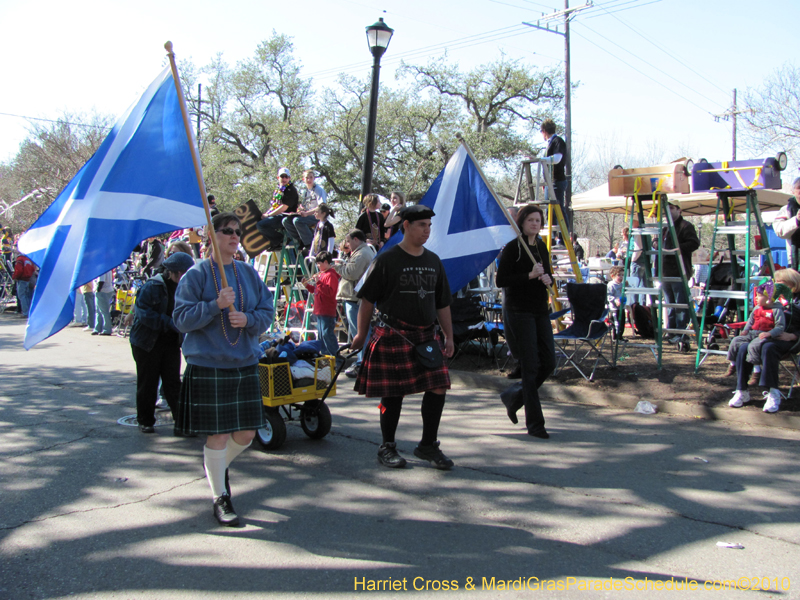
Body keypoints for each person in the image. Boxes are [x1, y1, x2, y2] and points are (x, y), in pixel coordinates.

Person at [173, 212, 275, 526]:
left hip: (244, 362)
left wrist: (249, 320)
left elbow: (267, 311)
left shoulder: (247, 272)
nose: (234, 235)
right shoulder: (197, 274)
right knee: (216, 436)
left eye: (237, 231)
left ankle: (214, 468)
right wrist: (214, 306)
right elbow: (181, 319)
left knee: (245, 435)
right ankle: (221, 496)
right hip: (207, 364)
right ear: (210, 236)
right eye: (226, 231)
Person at [351, 204, 455, 469]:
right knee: (392, 394)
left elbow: (442, 303)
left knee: (439, 386)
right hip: (392, 333)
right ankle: (387, 445)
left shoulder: (433, 261)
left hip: (426, 336)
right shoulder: (386, 260)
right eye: (422, 225)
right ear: (406, 226)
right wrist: (361, 334)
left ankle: (428, 445)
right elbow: (367, 300)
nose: (427, 231)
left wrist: (449, 336)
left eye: (429, 226)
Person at [496, 204, 555, 439]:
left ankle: (514, 397)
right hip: (519, 312)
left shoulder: (541, 247)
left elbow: (547, 274)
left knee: (548, 363)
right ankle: (536, 425)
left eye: (538, 221)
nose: (534, 224)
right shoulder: (513, 248)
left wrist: (548, 278)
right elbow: (501, 280)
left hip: (540, 310)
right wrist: (528, 276)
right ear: (521, 222)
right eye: (530, 220)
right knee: (530, 368)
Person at [130, 252, 195, 434]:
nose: (185, 277)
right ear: (173, 272)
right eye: (183, 273)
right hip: (146, 342)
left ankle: (182, 424)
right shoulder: (152, 286)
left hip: (170, 342)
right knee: (148, 382)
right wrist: (171, 323)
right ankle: (145, 421)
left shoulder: (185, 288)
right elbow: (143, 314)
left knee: (173, 383)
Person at [728, 268, 800, 414]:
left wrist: (794, 336)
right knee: (743, 347)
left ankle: (773, 392)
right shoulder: (773, 297)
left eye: (781, 282)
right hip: (766, 335)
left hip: (789, 338)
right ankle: (742, 390)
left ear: (792, 283)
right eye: (776, 282)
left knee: (769, 348)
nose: (777, 284)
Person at [334, 229, 376, 377]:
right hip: (355, 298)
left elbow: (351, 273)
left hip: (356, 300)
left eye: (348, 240)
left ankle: (363, 363)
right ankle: (364, 361)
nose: (347, 244)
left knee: (360, 333)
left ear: (356, 239)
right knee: (360, 332)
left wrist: (336, 266)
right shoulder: (361, 252)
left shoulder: (362, 253)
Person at [724, 281, 785, 377]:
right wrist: (746, 329)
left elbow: (780, 327)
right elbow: (750, 321)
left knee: (753, 346)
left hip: (765, 335)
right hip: (752, 333)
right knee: (736, 340)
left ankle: (756, 371)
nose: (756, 297)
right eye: (756, 295)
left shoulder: (776, 310)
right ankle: (732, 364)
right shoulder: (757, 308)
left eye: (759, 295)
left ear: (769, 298)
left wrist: (770, 334)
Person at [661, 200, 700, 344]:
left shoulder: (686, 226)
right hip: (664, 271)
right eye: (667, 208)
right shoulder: (664, 228)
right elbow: (656, 241)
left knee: (680, 303)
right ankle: (671, 331)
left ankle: (681, 331)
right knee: (670, 303)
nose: (669, 211)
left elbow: (694, 243)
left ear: (679, 210)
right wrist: (656, 244)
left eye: (672, 208)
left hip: (679, 270)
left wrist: (677, 248)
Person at [303, 251, 341, 357]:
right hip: (320, 309)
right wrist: (307, 286)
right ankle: (325, 357)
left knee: (327, 334)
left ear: (325, 262)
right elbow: (316, 290)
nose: (318, 266)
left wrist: (318, 282)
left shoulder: (331, 275)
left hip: (327, 310)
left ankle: (336, 357)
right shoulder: (322, 274)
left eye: (319, 263)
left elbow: (330, 292)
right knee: (321, 335)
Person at [540, 119, 569, 240]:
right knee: (549, 211)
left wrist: (541, 159)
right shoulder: (550, 143)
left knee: (558, 210)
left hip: (557, 181)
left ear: (544, 131)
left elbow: (557, 159)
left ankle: (563, 237)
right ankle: (551, 238)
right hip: (549, 182)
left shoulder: (558, 141)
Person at [257, 167, 299, 250]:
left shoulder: (290, 190)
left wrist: (268, 215)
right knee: (258, 221)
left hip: (286, 217)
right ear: (278, 178)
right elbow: (274, 206)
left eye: (286, 177)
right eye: (282, 176)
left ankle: (280, 240)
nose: (284, 179)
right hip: (278, 216)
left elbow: (283, 207)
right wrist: (265, 214)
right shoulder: (278, 190)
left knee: (261, 225)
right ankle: (274, 242)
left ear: (289, 178)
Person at [283, 170, 327, 251]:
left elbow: (322, 206)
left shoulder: (318, 190)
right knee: (286, 221)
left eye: (311, 177)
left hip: (317, 216)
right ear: (304, 179)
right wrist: (298, 211)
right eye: (307, 178)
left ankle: (309, 243)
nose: (309, 180)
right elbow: (303, 207)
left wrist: (307, 213)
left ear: (314, 178)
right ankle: (299, 240)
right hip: (307, 216)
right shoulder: (305, 192)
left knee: (297, 221)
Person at [773, 177, 800, 269]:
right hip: (795, 262)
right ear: (793, 191)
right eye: (799, 188)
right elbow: (779, 231)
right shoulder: (786, 210)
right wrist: (796, 220)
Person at [12, 251, 35, 317]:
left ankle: (25, 312)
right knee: (27, 295)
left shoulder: (19, 260)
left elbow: (18, 270)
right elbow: (33, 269)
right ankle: (29, 311)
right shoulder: (28, 259)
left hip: (22, 279)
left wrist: (15, 277)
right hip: (28, 278)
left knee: (21, 296)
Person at [93, 270, 114, 336]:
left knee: (104, 311)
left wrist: (98, 290)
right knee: (99, 311)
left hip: (103, 291)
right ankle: (98, 328)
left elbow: (101, 281)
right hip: (108, 290)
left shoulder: (102, 270)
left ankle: (107, 329)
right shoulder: (108, 268)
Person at [606, 266, 626, 339]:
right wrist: (615, 300)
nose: (621, 277)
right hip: (614, 308)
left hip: (622, 306)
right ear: (612, 276)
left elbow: (626, 291)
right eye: (619, 275)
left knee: (622, 322)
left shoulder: (622, 284)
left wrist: (627, 286)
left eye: (622, 275)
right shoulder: (611, 285)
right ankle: (616, 337)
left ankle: (620, 336)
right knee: (616, 323)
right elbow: (609, 296)